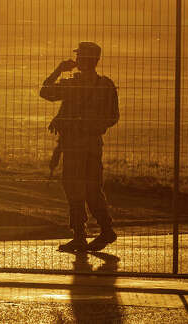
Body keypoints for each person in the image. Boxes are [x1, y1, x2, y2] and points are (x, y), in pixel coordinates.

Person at [40, 42, 120, 252]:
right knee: (93, 188)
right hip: (93, 144)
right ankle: (106, 229)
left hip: (75, 145)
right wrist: (92, 125)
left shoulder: (71, 84)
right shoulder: (106, 85)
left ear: (81, 61)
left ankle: (80, 235)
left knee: (74, 189)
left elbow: (45, 92)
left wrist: (58, 69)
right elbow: (113, 117)